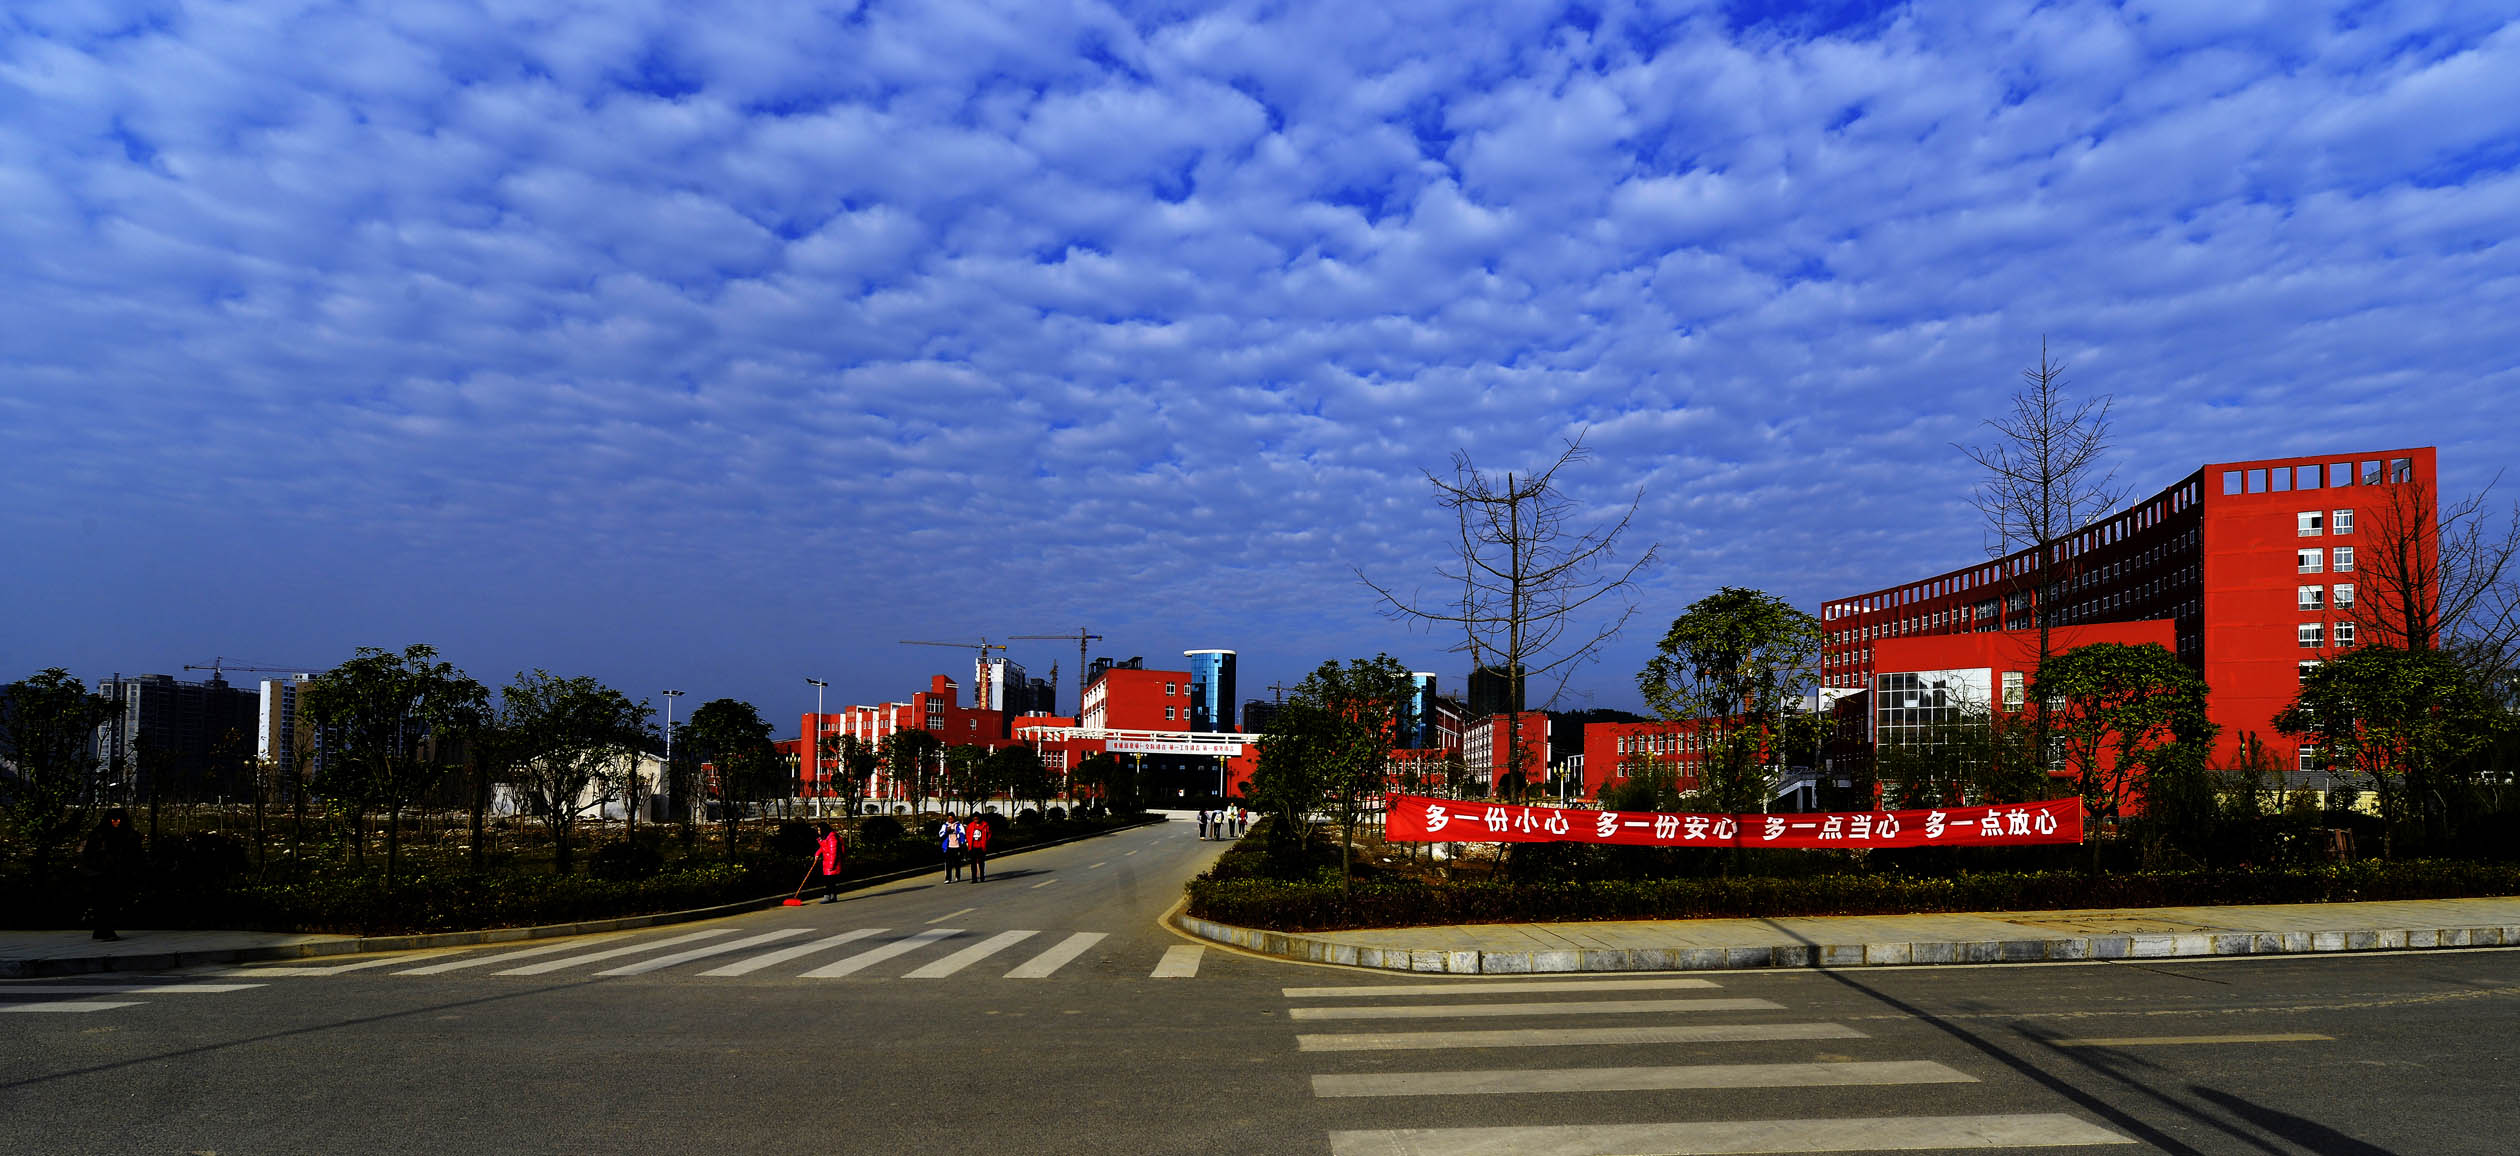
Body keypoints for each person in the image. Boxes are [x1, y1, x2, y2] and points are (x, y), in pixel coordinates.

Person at [81, 808, 144, 941]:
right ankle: (105, 930)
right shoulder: (101, 834)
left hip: (111, 873)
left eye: (118, 819)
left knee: (108, 902)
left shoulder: (124, 834)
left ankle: (102, 930)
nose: (116, 822)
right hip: (103, 874)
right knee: (106, 902)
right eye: (113, 819)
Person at [813, 823, 846, 903]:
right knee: (831, 881)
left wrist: (831, 865)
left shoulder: (832, 838)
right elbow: (824, 847)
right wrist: (817, 854)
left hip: (832, 862)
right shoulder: (825, 837)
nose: (818, 831)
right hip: (827, 861)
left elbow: (833, 852)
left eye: (819, 830)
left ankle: (827, 896)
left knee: (829, 881)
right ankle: (833, 896)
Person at [964, 813, 990, 882]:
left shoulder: (985, 825)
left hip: (981, 847)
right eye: (974, 819)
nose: (976, 820)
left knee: (981, 863)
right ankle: (974, 878)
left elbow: (988, 834)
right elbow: (967, 834)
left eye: (977, 818)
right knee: (973, 863)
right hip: (973, 847)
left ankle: (982, 877)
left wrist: (985, 841)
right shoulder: (970, 825)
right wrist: (968, 842)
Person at [939, 817, 964, 882]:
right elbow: (941, 835)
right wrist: (946, 831)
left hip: (957, 846)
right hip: (948, 847)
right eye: (949, 819)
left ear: (954, 818)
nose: (950, 820)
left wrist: (957, 833)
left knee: (957, 863)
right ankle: (948, 878)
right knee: (948, 863)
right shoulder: (945, 826)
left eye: (951, 819)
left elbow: (962, 834)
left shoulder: (958, 825)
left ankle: (957, 876)